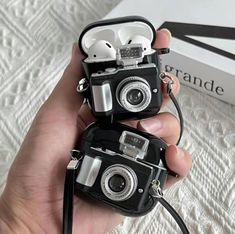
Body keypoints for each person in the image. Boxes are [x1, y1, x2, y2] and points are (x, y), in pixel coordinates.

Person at [0, 29, 192, 234]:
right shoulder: (93, 133)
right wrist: (21, 220)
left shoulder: (95, 134)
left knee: (166, 149)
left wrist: (21, 222)